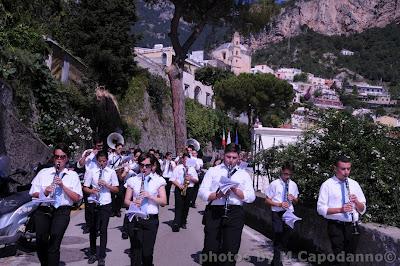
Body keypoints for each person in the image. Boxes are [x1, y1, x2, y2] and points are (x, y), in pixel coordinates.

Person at [199, 144, 255, 266]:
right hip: (215, 210)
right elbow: (202, 192)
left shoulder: (243, 174)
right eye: (228, 156)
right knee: (210, 249)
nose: (231, 160)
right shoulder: (213, 171)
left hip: (234, 212)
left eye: (234, 158)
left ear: (238, 158)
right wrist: (217, 195)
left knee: (230, 250)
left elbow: (251, 197)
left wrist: (236, 190)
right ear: (224, 155)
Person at [29, 143, 83, 266]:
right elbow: (32, 193)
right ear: (54, 158)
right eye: (57, 156)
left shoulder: (72, 175)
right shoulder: (44, 173)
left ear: (67, 158)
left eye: (62, 157)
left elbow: (76, 198)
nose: (59, 159)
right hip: (43, 209)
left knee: (54, 242)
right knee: (41, 243)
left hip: (62, 211)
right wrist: (45, 191)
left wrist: (63, 186)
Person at [317, 155, 366, 266]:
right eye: (343, 169)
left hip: (352, 226)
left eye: (348, 169)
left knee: (348, 259)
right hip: (336, 226)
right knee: (340, 259)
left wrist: (357, 202)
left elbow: (363, 209)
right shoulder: (327, 185)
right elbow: (320, 209)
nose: (346, 172)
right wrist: (340, 209)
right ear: (335, 168)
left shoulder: (354, 184)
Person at [124, 153, 167, 266]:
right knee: (136, 253)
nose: (144, 168)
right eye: (142, 165)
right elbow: (126, 201)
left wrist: (150, 196)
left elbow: (163, 202)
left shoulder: (159, 180)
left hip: (150, 220)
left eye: (147, 166)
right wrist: (134, 203)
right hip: (136, 220)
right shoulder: (133, 180)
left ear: (152, 166)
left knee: (147, 253)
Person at [83, 150, 119, 266]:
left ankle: (102, 256)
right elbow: (85, 188)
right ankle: (93, 253)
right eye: (100, 161)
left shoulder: (111, 172)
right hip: (93, 202)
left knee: (103, 230)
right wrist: (92, 190)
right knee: (93, 229)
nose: (102, 163)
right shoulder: (91, 171)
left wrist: (107, 185)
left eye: (104, 161)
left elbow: (116, 189)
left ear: (107, 161)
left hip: (106, 203)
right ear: (97, 161)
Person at [265, 162, 299, 266]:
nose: (287, 177)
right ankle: (276, 262)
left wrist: (293, 198)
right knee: (278, 233)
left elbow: (297, 201)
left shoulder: (293, 184)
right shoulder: (274, 184)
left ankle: (276, 258)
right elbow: (267, 200)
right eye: (285, 174)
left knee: (287, 235)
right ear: (281, 172)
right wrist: (279, 204)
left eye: (289, 174)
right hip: (277, 212)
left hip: (289, 212)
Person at [77, 137, 104, 234]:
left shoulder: (103, 154)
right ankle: (89, 225)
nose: (100, 147)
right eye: (98, 146)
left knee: (99, 205)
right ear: (94, 146)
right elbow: (80, 164)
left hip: (99, 181)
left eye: (101, 145)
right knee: (89, 206)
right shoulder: (88, 152)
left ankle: (98, 227)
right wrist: (91, 155)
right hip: (88, 181)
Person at [170, 153, 198, 232]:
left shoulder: (192, 169)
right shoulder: (178, 168)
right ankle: (176, 223)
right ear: (182, 159)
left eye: (188, 159)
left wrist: (191, 178)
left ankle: (183, 221)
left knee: (186, 206)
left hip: (189, 189)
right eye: (184, 159)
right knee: (178, 206)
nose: (186, 161)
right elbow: (172, 179)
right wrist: (179, 185)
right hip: (179, 188)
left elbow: (196, 180)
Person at [108, 143, 124, 217]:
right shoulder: (110, 157)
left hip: (119, 176)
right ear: (115, 148)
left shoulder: (121, 157)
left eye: (121, 148)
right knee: (112, 194)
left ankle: (118, 209)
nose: (120, 150)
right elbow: (108, 166)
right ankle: (112, 210)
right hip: (112, 177)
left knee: (120, 194)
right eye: (119, 148)